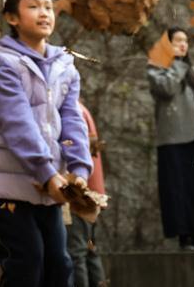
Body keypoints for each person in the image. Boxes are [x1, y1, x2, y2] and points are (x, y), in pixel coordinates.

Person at [0, 0, 93, 287]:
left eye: (48, 7)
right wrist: (47, 172)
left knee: (59, 267)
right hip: (5, 184)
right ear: (12, 17)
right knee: (26, 263)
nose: (44, 13)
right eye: (34, 7)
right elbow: (17, 122)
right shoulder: (3, 62)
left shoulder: (65, 65)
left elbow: (72, 120)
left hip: (47, 186)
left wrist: (78, 169)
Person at [146, 26, 194, 250]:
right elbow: (167, 89)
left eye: (185, 41)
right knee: (176, 190)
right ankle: (184, 237)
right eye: (177, 41)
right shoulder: (155, 69)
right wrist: (176, 64)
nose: (183, 44)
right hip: (172, 141)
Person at [67, 100, 107, 287]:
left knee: (77, 253)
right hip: (92, 193)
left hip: (80, 194)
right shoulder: (81, 110)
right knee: (89, 250)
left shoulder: (73, 112)